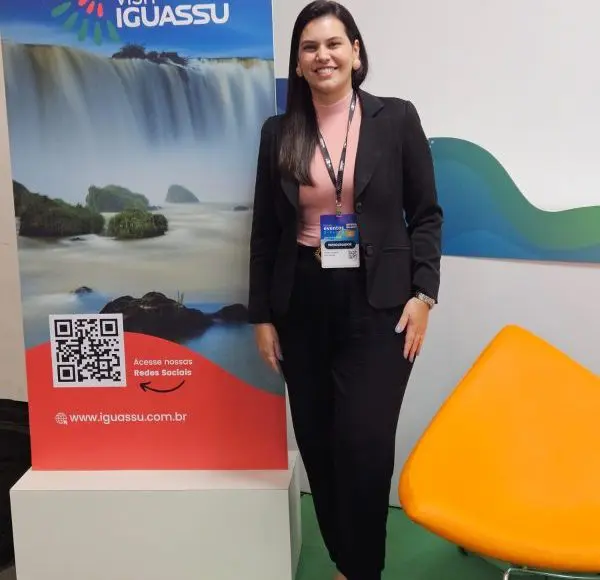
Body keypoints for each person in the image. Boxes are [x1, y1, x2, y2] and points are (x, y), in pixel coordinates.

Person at [248, 1, 442, 578]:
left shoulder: (396, 118)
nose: (322, 56)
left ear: (356, 52)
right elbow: (265, 230)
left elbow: (426, 214)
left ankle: (360, 570)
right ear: (298, 63)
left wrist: (424, 294)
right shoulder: (279, 132)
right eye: (309, 47)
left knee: (364, 445)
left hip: (380, 301)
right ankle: (347, 559)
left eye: (334, 44)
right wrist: (263, 315)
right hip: (302, 299)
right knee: (318, 442)